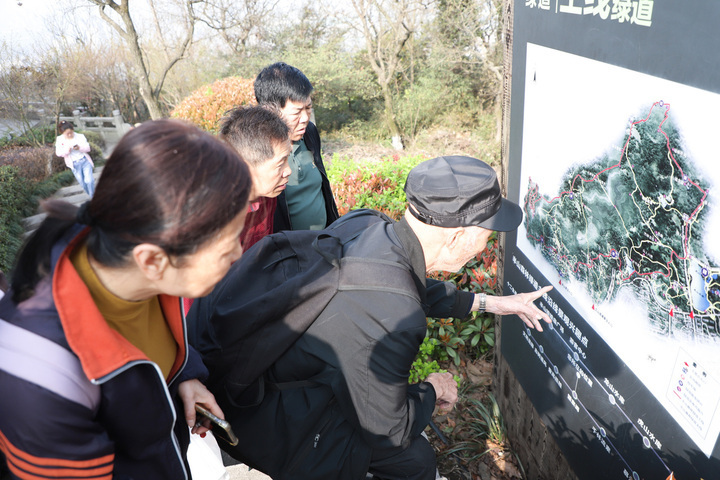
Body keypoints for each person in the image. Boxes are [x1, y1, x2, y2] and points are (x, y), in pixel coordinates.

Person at [190, 155, 553, 480]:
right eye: (488, 234)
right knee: (416, 460)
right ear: (459, 236)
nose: (488, 246)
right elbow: (388, 429)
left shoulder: (369, 225)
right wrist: (432, 390)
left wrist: (494, 303)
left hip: (261, 374)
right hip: (270, 423)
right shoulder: (394, 315)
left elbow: (405, 286)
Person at [0, 119, 252, 479]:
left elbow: (151, 343)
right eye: (227, 245)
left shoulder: (137, 257)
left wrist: (183, 374)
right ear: (152, 260)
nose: (239, 254)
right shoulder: (41, 373)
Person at [254, 62, 340, 231]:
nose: (305, 118)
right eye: (296, 112)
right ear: (269, 110)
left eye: (308, 108)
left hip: (322, 243)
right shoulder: (256, 150)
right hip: (287, 250)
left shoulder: (309, 133)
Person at [219, 105, 292, 249]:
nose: (288, 171)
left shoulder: (268, 195)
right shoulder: (215, 215)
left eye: (287, 159)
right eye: (280, 164)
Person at [55, 120, 95, 197]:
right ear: (62, 133)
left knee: (89, 181)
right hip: (74, 164)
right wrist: (67, 150)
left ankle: (93, 197)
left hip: (85, 161)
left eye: (71, 132)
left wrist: (79, 148)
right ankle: (91, 194)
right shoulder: (60, 139)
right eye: (67, 134)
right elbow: (58, 153)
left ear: (73, 130)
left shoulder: (80, 136)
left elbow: (88, 148)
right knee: (83, 184)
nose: (70, 135)